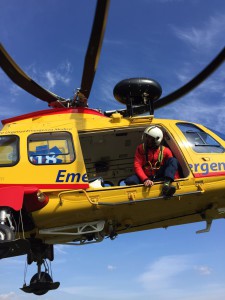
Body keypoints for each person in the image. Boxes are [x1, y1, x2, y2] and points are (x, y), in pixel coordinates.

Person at [125, 125, 179, 196]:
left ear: (156, 140)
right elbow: (137, 165)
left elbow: (172, 167)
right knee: (130, 180)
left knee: (173, 160)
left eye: (150, 138)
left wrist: (176, 180)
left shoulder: (166, 151)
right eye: (147, 136)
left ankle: (166, 184)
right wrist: (145, 179)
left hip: (159, 176)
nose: (147, 139)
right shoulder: (141, 148)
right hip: (146, 177)